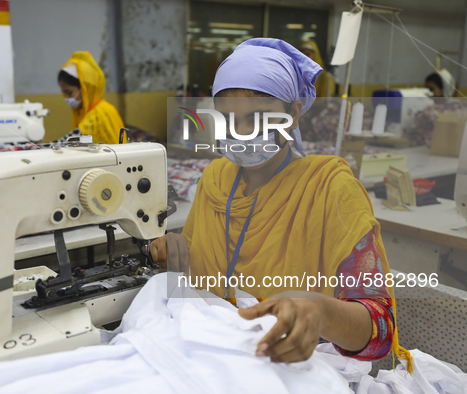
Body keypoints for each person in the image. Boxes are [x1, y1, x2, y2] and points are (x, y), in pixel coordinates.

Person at [150, 38, 412, 370]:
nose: (242, 133)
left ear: (294, 114)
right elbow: (200, 263)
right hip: (214, 359)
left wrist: (321, 312)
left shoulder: (329, 190)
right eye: (229, 121)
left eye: (258, 118)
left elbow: (381, 332)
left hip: (297, 368)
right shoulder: (215, 180)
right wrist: (175, 251)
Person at [58, 52, 125, 144]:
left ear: (85, 89)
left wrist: (36, 148)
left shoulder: (98, 115)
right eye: (65, 94)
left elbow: (70, 141)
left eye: (69, 93)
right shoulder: (95, 110)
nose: (67, 98)